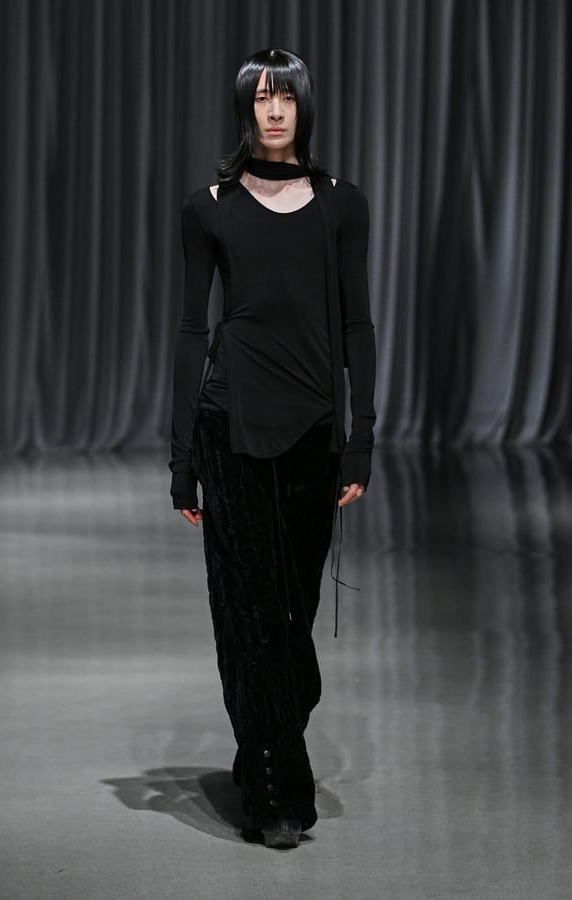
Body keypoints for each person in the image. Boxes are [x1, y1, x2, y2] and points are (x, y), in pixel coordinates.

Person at [169, 48, 376, 849]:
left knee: (293, 625)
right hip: (229, 427)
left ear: (304, 106)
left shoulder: (341, 205)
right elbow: (193, 330)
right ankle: (276, 795)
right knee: (247, 614)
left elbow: (356, 325)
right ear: (244, 109)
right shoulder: (209, 208)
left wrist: (360, 440)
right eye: (261, 97)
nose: (275, 110)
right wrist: (182, 456)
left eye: (286, 96)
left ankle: (262, 737)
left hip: (312, 432)